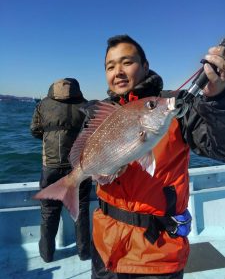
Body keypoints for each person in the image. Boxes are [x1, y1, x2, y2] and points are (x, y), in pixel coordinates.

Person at [88, 35, 225, 279]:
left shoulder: (173, 107)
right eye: (110, 66)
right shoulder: (99, 113)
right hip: (104, 245)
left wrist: (217, 102)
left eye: (127, 62)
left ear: (145, 66)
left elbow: (220, 149)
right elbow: (89, 161)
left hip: (157, 255)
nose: (118, 71)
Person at [30, 77, 92, 262]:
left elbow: (34, 129)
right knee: (80, 210)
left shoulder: (43, 104)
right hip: (78, 167)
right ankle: (83, 253)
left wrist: (50, 137)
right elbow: (92, 131)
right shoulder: (85, 105)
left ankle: (47, 255)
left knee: (49, 211)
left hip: (51, 166)